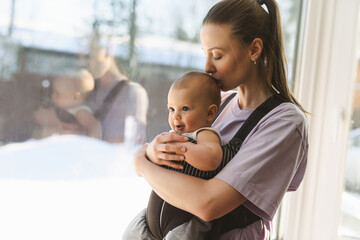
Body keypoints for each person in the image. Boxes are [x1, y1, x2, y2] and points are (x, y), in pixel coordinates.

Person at [130, 0, 308, 239]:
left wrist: (141, 164)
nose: (207, 67)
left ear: (254, 49)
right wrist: (152, 152)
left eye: (217, 55)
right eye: (206, 54)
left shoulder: (284, 122)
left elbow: (208, 205)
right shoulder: (219, 104)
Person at [123, 71, 225, 239]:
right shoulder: (172, 135)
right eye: (171, 109)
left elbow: (212, 159)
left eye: (185, 109)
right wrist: (152, 154)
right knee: (129, 234)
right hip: (151, 217)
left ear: (210, 113)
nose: (176, 116)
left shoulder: (204, 134)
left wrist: (183, 149)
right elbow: (148, 153)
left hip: (185, 222)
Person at [87, 46, 149, 144]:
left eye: (94, 57)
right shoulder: (90, 92)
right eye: (87, 58)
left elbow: (134, 139)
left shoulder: (133, 92)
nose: (90, 63)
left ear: (109, 55)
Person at [33, 69, 102, 139]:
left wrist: (90, 145)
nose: (53, 96)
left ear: (75, 97)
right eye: (53, 92)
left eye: (57, 93)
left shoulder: (80, 112)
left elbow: (95, 126)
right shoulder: (64, 107)